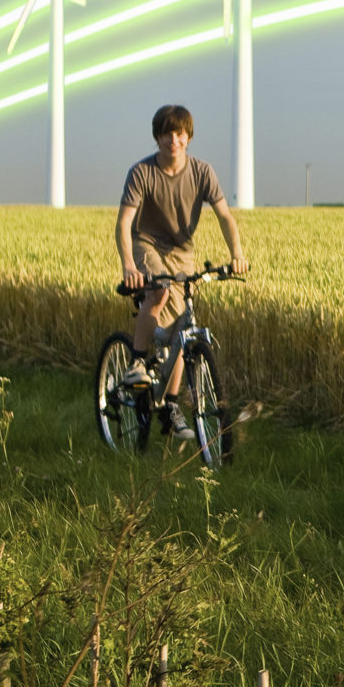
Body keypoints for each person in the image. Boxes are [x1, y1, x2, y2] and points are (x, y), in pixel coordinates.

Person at [115, 104, 249, 438]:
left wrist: (237, 254)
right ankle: (137, 362)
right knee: (158, 291)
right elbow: (124, 222)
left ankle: (170, 405)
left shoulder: (202, 172)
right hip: (147, 245)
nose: (173, 140)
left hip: (183, 253)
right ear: (157, 137)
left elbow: (224, 216)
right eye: (166, 134)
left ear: (188, 137)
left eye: (179, 134)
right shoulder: (142, 173)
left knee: (181, 330)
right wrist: (130, 265)